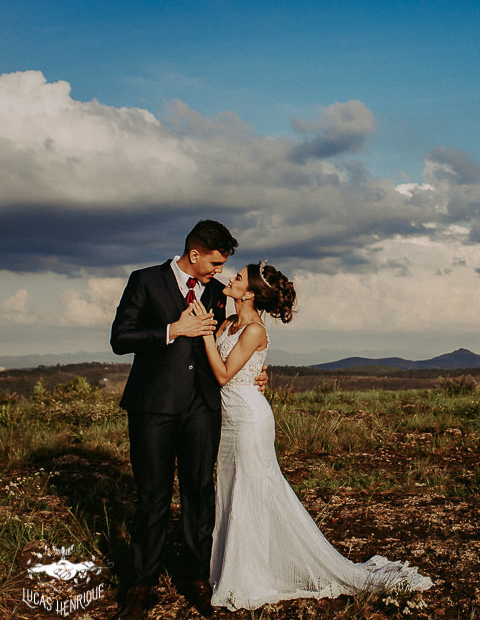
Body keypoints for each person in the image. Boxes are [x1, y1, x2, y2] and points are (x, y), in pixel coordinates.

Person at [193, 260, 432, 610]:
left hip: (249, 420)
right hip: (228, 421)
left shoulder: (255, 329)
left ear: (251, 293)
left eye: (239, 277)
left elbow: (223, 374)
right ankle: (232, 567)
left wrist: (203, 333)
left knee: (252, 492)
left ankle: (249, 575)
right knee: (231, 490)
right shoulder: (228, 322)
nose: (232, 278)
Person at [110, 220, 265, 619]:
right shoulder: (144, 281)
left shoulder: (216, 292)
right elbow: (120, 338)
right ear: (194, 255)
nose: (219, 272)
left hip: (203, 408)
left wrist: (258, 373)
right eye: (214, 263)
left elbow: (246, 334)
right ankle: (142, 586)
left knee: (199, 493)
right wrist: (173, 330)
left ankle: (198, 579)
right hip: (153, 408)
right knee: (153, 496)